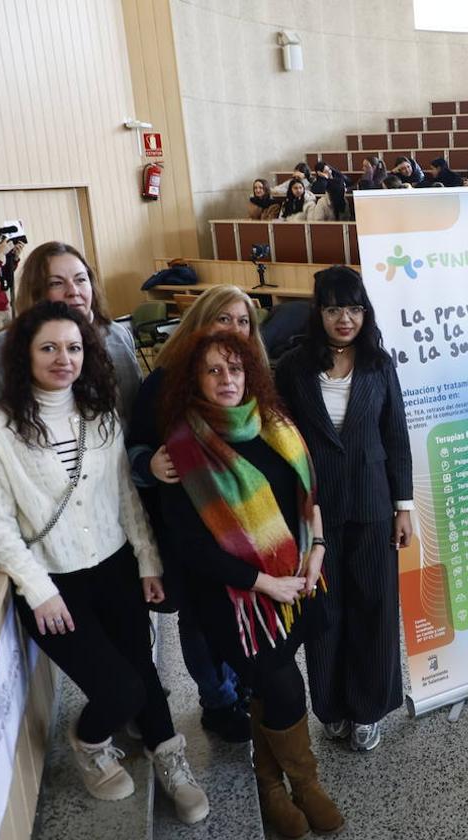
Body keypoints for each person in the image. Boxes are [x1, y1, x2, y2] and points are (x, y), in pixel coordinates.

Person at [0, 301, 209, 824]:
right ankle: (90, 740)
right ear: (24, 356)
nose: (64, 358)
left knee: (143, 670)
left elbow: (125, 497)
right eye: (49, 348)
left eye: (74, 348)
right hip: (52, 583)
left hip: (115, 567)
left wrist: (148, 560)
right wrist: (39, 590)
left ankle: (168, 754)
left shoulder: (99, 415)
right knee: (119, 689)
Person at [159, 330, 343, 837]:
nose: (226, 379)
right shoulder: (183, 448)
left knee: (269, 689)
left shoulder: (275, 423)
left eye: (235, 369)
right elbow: (193, 549)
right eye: (213, 370)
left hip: (294, 582)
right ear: (195, 379)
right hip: (236, 601)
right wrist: (266, 584)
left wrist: (319, 550)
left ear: (251, 373)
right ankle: (304, 786)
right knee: (285, 687)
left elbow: (310, 493)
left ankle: (271, 788)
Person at [274, 266, 412, 754]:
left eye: (354, 308)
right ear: (319, 312)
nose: (345, 319)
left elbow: (395, 436)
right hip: (317, 511)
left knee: (375, 607)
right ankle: (331, 707)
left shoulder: (379, 364)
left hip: (374, 504)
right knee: (325, 611)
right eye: (334, 309)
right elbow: (279, 438)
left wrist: (403, 506)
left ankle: (369, 709)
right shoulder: (292, 367)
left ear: (364, 312)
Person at [128, 285, 268, 744]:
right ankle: (217, 700)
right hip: (187, 526)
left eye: (243, 321)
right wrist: (149, 463)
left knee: (241, 607)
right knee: (201, 621)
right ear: (201, 323)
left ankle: (246, 683)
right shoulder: (165, 381)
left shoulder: (257, 375)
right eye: (223, 319)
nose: (234, 329)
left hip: (247, 524)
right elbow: (135, 449)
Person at [0, 241, 141, 444]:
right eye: (56, 283)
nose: (73, 291)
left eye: (80, 280)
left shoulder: (117, 336)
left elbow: (132, 411)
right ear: (36, 292)